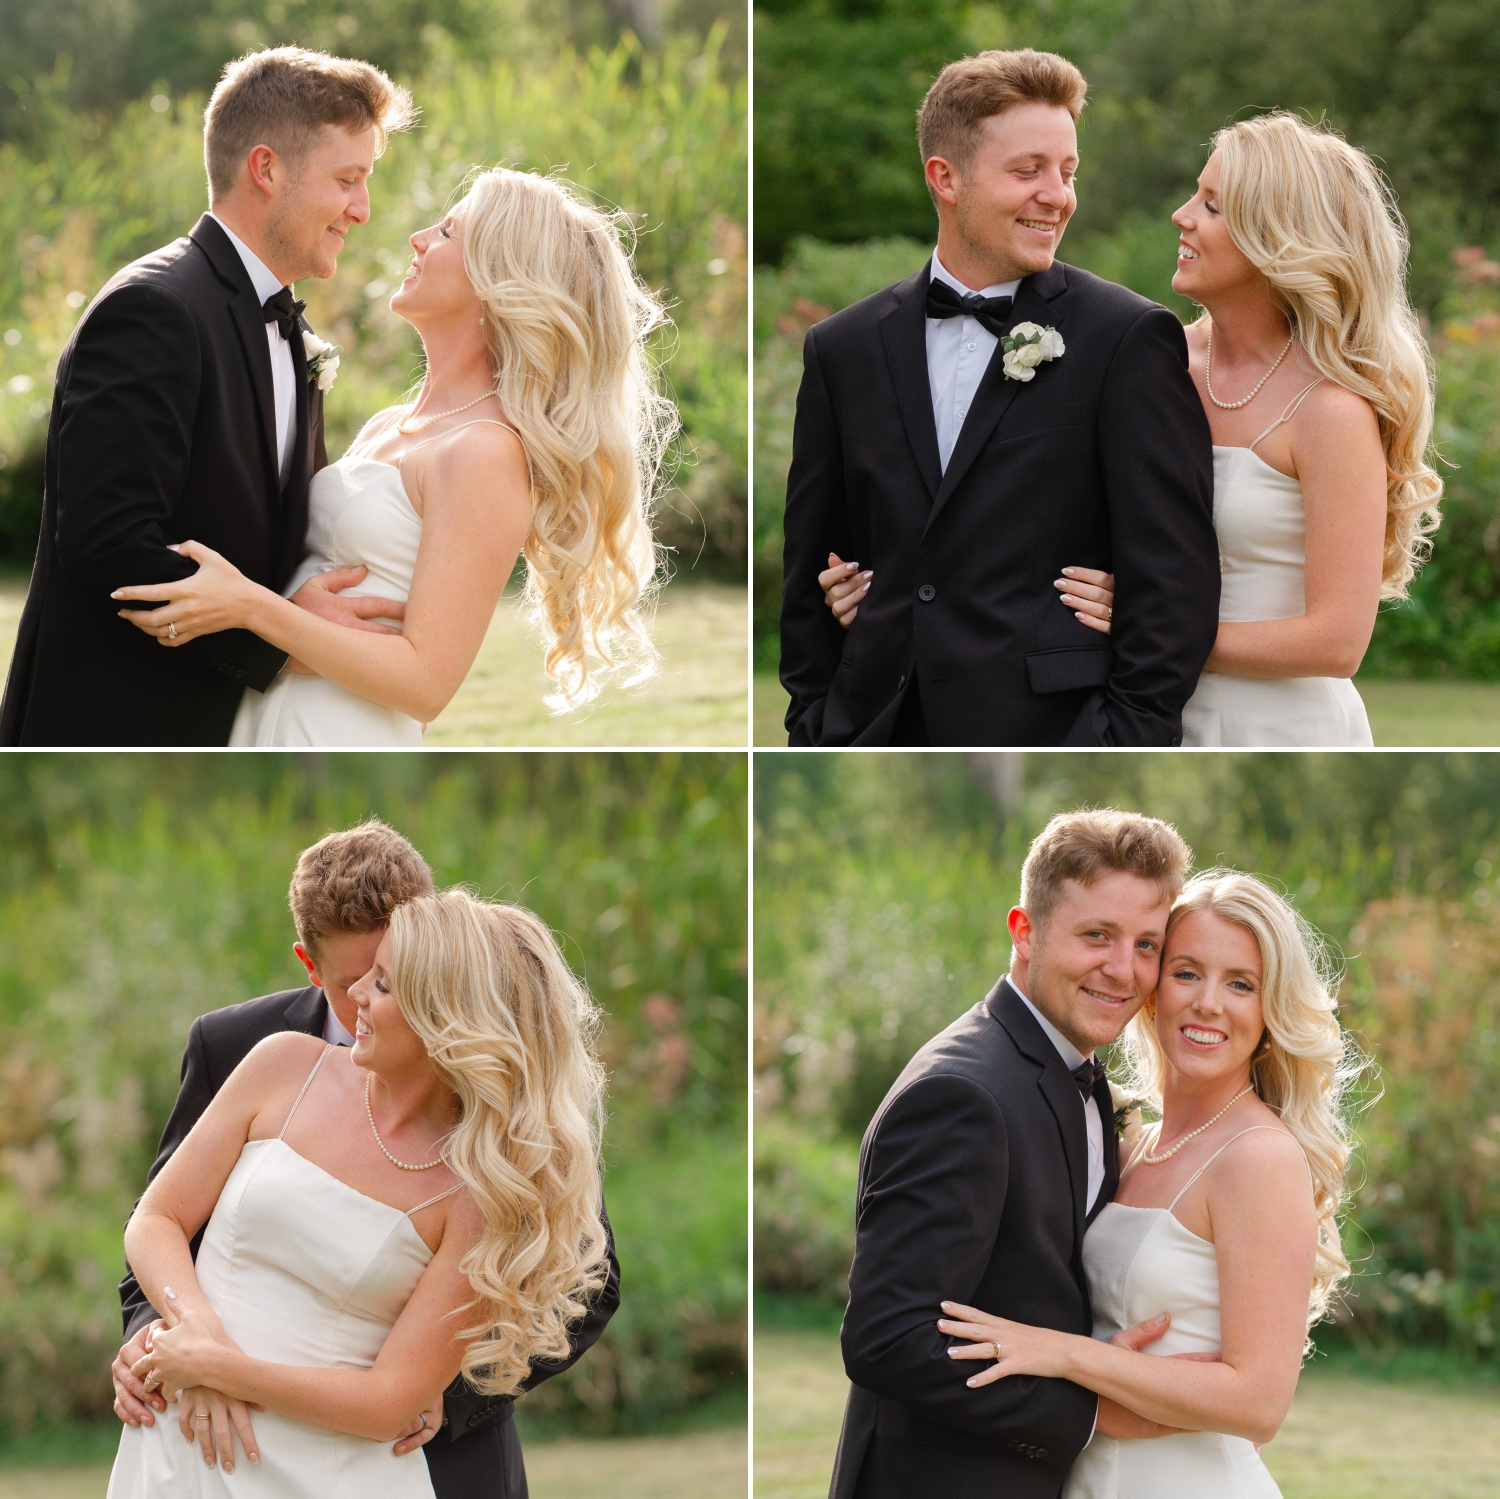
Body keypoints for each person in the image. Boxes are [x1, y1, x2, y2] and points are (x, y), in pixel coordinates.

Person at [826, 111, 1443, 747]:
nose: (1182, 215)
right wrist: (891, 602)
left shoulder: (1331, 411)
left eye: (1212, 205)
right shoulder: (1145, 355)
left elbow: (1337, 643)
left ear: (1278, 238)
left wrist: (1150, 631)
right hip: (1128, 711)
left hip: (1273, 723)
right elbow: (1013, 513)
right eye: (1194, 194)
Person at [109, 823, 619, 1499]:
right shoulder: (265, 1053)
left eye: (389, 978)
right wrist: (181, 1340)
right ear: (311, 965)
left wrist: (442, 1384)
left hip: (383, 1457)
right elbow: (160, 1218)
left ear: (447, 1002)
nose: (360, 1004)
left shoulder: (496, 1156)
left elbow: (586, 1284)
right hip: (182, 1438)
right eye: (359, 979)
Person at [109, 164, 674, 744]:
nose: (419, 238)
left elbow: (426, 683)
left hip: (338, 727)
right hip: (264, 711)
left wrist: (253, 609)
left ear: (497, 279)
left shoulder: (485, 451)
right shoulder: (392, 424)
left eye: (448, 233)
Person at [780, 48, 1220, 748]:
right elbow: (812, 571)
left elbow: (1175, 581)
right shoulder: (842, 348)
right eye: (1028, 171)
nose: (1059, 195)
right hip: (874, 731)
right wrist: (817, 723)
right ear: (945, 177)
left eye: (1068, 172)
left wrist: (1120, 738)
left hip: (1053, 730)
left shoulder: (1126, 338)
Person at [0, 47, 418, 746]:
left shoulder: (286, 325)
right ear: (266, 169)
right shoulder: (154, 309)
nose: (363, 209)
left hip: (232, 729)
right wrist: (287, 641)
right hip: (116, 731)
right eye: (348, 179)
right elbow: (109, 546)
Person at [938, 869, 1355, 1498]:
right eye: (1186, 972)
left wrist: (1065, 1355)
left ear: (1270, 1011)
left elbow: (1258, 1402)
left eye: (1241, 984)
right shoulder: (1134, 1146)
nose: (1207, 1003)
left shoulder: (1259, 1157)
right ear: (1154, 987)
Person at [829, 809, 1199, 1499]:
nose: (1124, 970)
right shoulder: (961, 1094)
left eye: (1147, 943)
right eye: (1096, 935)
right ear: (1024, 931)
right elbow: (886, 1337)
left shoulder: (1066, 1073)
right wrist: (1090, 1412)